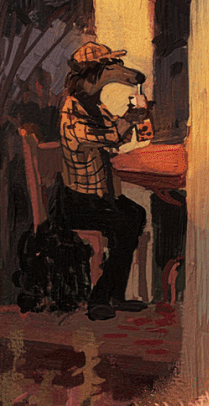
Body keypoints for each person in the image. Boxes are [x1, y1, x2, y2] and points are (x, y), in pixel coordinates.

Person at [55, 40, 151, 320]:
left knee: (134, 214)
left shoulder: (95, 106)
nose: (117, 71)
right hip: (79, 200)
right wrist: (129, 120)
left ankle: (115, 295)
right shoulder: (72, 111)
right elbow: (108, 136)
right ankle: (99, 299)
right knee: (125, 222)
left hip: (100, 197)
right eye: (110, 67)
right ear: (92, 74)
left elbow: (115, 137)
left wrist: (131, 120)